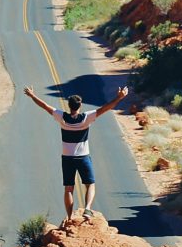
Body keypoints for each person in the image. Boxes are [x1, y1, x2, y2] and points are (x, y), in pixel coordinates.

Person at [23, 84, 128, 221]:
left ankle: (69, 216)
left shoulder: (61, 117)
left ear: (69, 106)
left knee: (68, 188)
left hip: (67, 158)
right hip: (83, 157)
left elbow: (44, 106)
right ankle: (88, 209)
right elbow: (106, 108)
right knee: (90, 184)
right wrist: (119, 98)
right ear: (80, 106)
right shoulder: (86, 118)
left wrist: (32, 95)